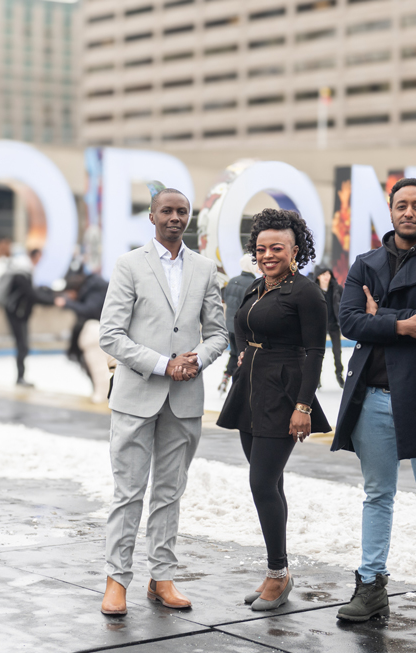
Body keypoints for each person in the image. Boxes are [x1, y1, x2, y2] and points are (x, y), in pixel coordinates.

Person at [331, 178, 416, 633]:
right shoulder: (366, 263)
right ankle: (370, 588)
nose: (408, 212)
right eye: (401, 205)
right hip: (372, 397)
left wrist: (380, 319)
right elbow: (349, 321)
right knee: (377, 495)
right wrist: (403, 323)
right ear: (389, 211)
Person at [98, 188, 228, 616]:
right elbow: (111, 335)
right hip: (137, 396)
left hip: (185, 399)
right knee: (128, 492)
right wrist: (162, 365)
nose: (175, 217)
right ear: (152, 216)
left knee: (170, 493)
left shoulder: (206, 268)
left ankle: (162, 578)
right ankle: (116, 580)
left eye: (182, 211)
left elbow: (217, 334)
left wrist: (196, 360)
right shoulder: (129, 265)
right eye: (167, 211)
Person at [217, 209, 331, 611]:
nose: (267, 255)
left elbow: (316, 351)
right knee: (270, 482)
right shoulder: (254, 287)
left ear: (295, 250)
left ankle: (278, 575)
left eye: (277, 248)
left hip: (284, 393)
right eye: (261, 248)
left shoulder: (305, 292)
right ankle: (275, 571)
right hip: (251, 390)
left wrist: (303, 405)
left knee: (262, 484)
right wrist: (242, 363)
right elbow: (244, 333)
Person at [2, 248, 57, 387]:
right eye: (38, 258)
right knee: (22, 346)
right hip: (17, 314)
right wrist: (52, 301)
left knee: (23, 346)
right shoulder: (22, 274)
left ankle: (21, 377)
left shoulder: (25, 272)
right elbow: (31, 295)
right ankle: (20, 378)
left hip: (20, 314)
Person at [56, 268, 111, 404]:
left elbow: (90, 310)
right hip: (99, 333)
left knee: (101, 369)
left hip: (100, 334)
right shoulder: (92, 287)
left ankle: (102, 396)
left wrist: (68, 304)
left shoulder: (95, 289)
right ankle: (102, 393)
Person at [219, 254, 257, 391]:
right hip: (243, 327)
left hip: (230, 325)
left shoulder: (232, 281)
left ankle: (226, 375)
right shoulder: (253, 284)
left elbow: (226, 300)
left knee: (234, 353)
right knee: (243, 356)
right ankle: (238, 383)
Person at [313, 265, 345, 387]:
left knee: (337, 351)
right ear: (318, 276)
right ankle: (317, 378)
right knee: (317, 352)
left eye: (328, 274)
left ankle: (339, 375)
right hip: (319, 326)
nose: (326, 277)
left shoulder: (337, 288)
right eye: (323, 274)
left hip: (334, 324)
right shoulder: (313, 289)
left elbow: (343, 304)